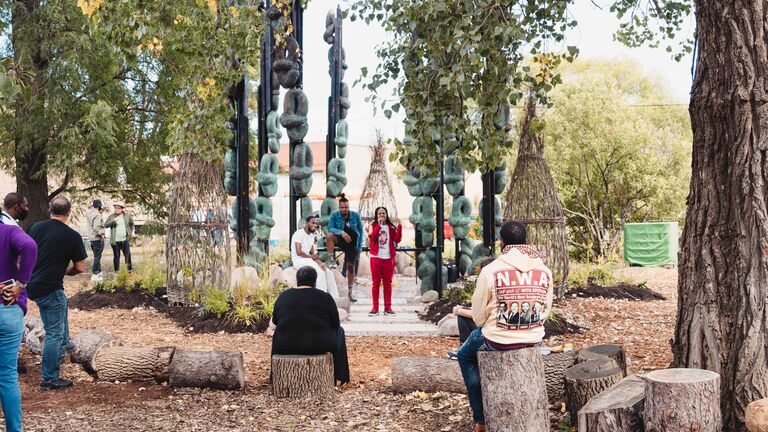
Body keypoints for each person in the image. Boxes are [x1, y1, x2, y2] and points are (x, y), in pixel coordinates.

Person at [457, 221, 553, 432]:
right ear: (526, 242)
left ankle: (480, 419)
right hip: (533, 339)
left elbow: (479, 316)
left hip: (497, 340)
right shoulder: (544, 270)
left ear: (502, 243)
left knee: (464, 355)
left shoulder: (491, 270)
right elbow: (545, 310)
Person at [27, 196, 87, 390]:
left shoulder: (35, 228)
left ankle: (65, 346)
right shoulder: (72, 236)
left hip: (31, 286)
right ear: (69, 212)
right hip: (49, 287)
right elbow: (80, 267)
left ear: (50, 209)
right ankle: (49, 378)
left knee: (62, 303)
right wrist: (67, 271)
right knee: (53, 332)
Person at [271, 266, 350, 385]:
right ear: (315, 281)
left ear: (297, 280)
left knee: (278, 332)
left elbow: (276, 321)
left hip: (286, 345)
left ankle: (274, 376)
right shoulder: (325, 297)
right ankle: (340, 375)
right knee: (340, 331)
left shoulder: (284, 296)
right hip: (319, 345)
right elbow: (335, 323)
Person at [0, 221, 37, 431]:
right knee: (6, 374)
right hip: (8, 309)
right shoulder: (9, 231)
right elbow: (30, 247)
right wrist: (21, 283)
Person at [446, 257, 495, 361]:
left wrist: (459, 311)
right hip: (491, 325)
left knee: (461, 314)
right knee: (462, 310)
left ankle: (463, 348)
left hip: (489, 329)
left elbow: (480, 315)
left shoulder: (487, 281)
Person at [325, 194, 364, 302]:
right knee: (329, 236)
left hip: (352, 243)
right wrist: (341, 232)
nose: (344, 209)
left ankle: (350, 294)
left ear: (348, 206)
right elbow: (330, 228)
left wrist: (359, 247)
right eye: (342, 207)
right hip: (340, 240)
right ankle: (331, 260)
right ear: (339, 207)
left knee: (351, 268)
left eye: (346, 207)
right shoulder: (334, 215)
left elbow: (360, 231)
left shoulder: (355, 216)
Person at [290, 215, 338, 298]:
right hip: (299, 260)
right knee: (320, 273)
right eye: (313, 223)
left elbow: (313, 253)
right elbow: (299, 252)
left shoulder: (311, 236)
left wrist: (320, 263)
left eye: (316, 224)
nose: (315, 225)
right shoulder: (299, 233)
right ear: (307, 223)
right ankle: (320, 299)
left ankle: (335, 299)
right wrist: (311, 257)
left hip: (308, 259)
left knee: (328, 272)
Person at [366, 206, 402, 316]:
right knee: (375, 283)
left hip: (388, 259)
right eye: (379, 214)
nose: (382, 215)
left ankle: (388, 308)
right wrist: (379, 226)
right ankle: (375, 308)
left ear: (386, 215)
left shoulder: (391, 227)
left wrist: (399, 226)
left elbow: (397, 239)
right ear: (376, 216)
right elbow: (372, 238)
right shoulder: (372, 226)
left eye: (383, 213)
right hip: (376, 258)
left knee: (388, 284)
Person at [104, 202, 134, 272]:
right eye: (115, 208)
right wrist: (113, 222)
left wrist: (129, 232)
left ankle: (129, 270)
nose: (116, 210)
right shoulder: (112, 216)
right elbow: (106, 225)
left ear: (122, 209)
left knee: (128, 256)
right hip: (115, 241)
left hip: (124, 240)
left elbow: (131, 224)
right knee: (117, 256)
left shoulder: (126, 216)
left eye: (118, 208)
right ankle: (117, 271)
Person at [85, 199, 105, 281]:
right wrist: (102, 235)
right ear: (99, 206)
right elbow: (96, 228)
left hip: (91, 238)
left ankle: (99, 273)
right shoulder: (98, 214)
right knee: (97, 256)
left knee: (97, 256)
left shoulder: (88, 213)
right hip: (97, 238)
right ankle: (95, 274)